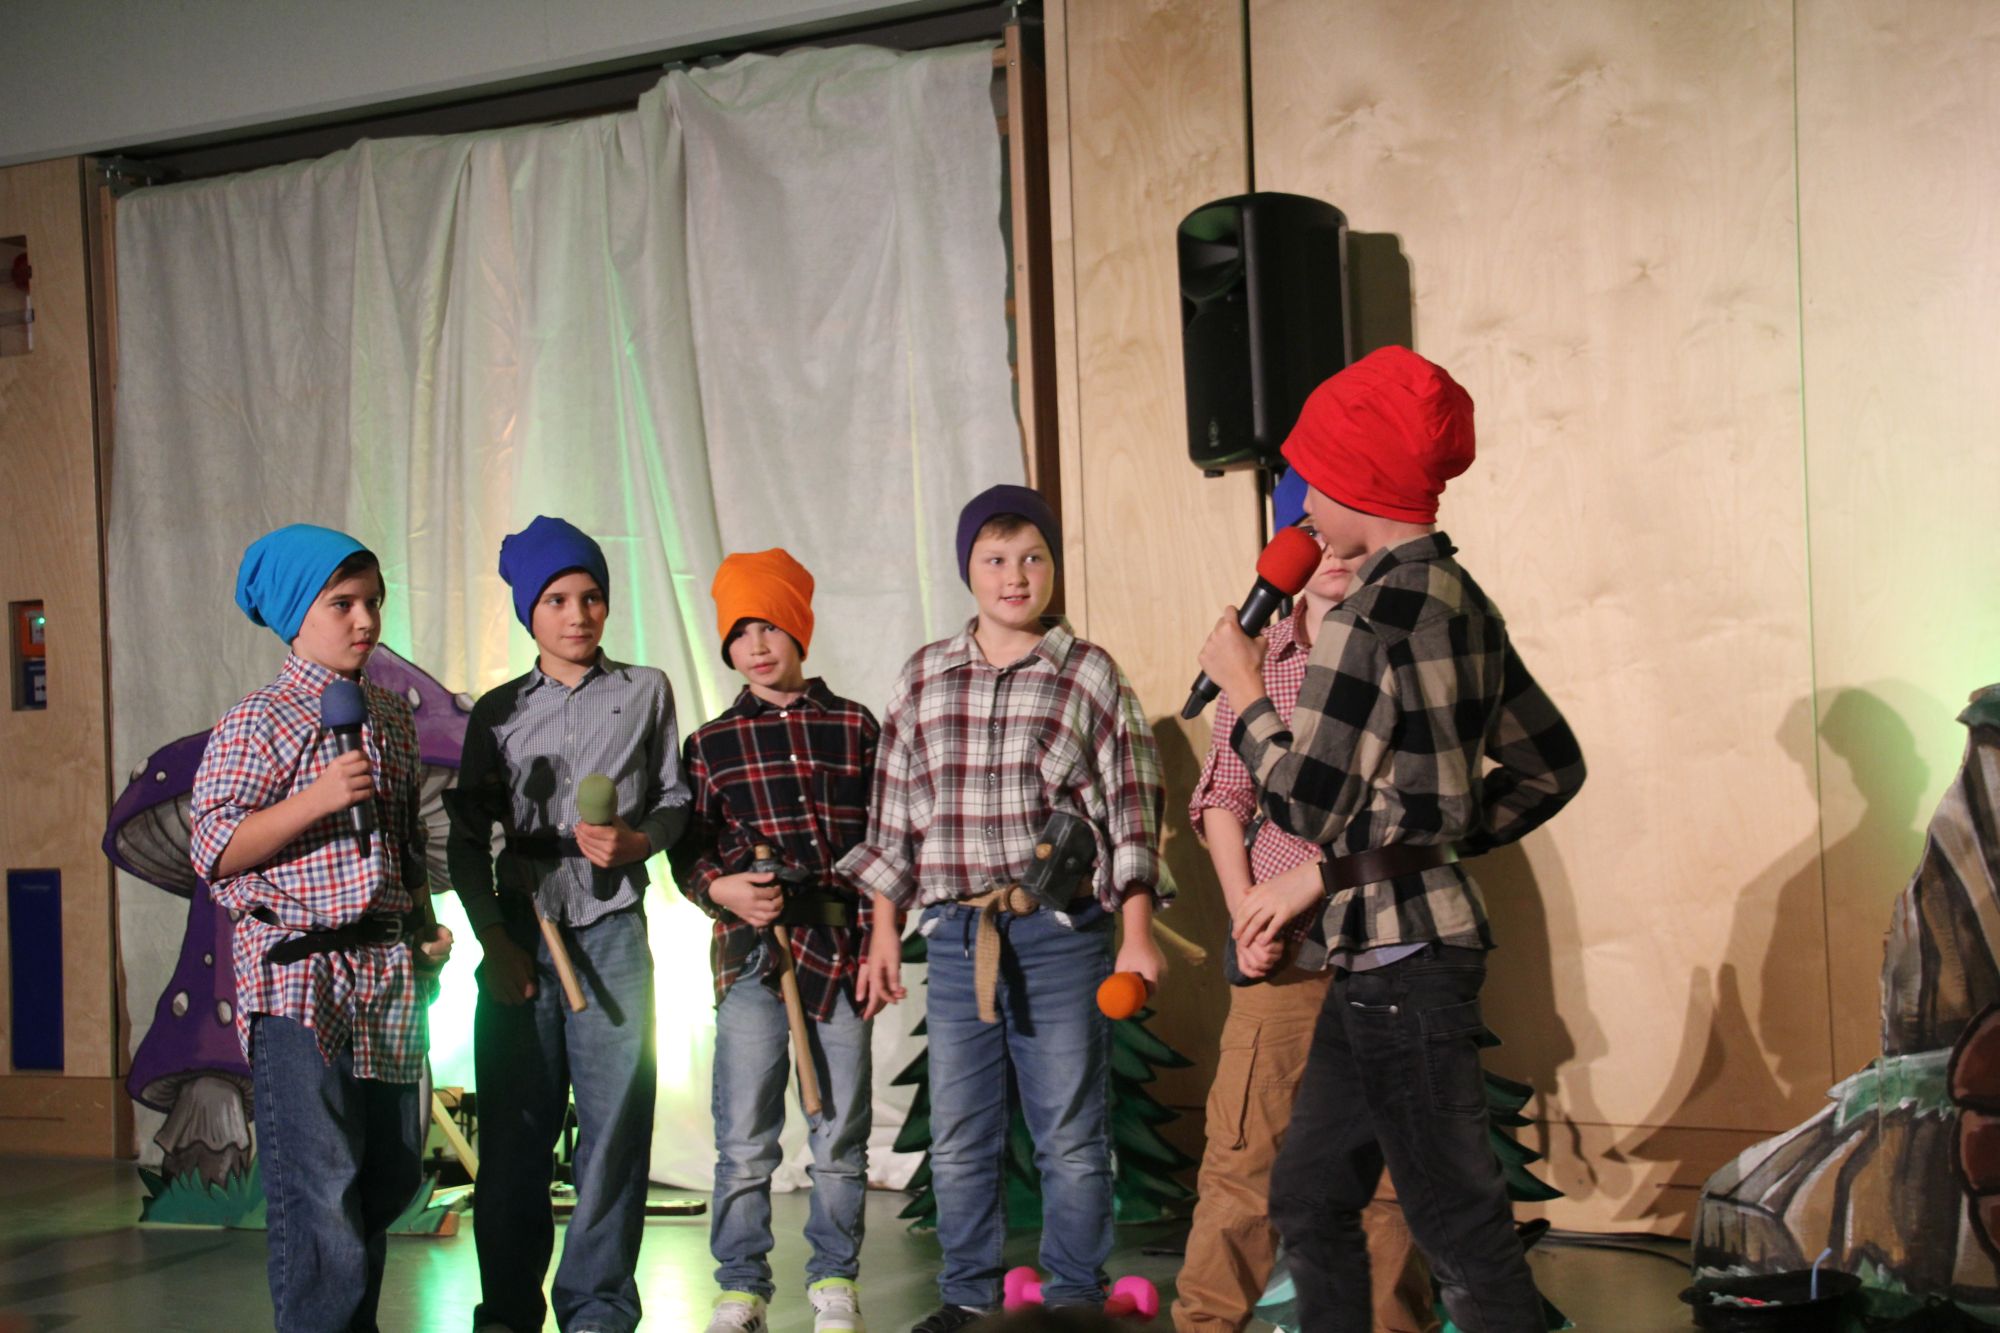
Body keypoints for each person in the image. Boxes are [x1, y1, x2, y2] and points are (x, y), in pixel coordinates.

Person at [1197, 347, 1586, 1333]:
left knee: (1457, 1226)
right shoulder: (1460, 597)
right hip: (1381, 951)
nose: (1307, 514)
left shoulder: (1367, 617)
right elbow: (1550, 765)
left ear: (1360, 483)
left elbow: (1305, 806)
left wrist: (1245, 688)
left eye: (1315, 486)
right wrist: (1430, 834)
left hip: (1400, 962)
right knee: (1308, 1195)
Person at [840, 484, 1169, 1332]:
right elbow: (893, 815)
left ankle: (1074, 1296)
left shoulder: (1088, 672)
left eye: (1032, 557)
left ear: (1053, 566)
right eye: (995, 559)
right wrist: (884, 931)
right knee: (960, 1131)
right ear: (969, 569)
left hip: (1062, 935)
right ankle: (967, 1294)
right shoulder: (925, 674)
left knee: (1069, 1129)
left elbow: (1133, 806)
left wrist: (1136, 933)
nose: (1015, 576)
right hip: (959, 936)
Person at [1173, 476, 1435, 1333]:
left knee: (1391, 1175)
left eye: (1342, 527)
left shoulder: (1400, 645)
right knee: (1243, 1163)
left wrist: (1316, 876)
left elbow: (1410, 803)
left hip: (1388, 942)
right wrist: (1246, 908)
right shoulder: (1258, 655)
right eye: (1307, 530)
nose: (1328, 551)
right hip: (1285, 952)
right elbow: (1223, 794)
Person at [190, 523, 453, 1332]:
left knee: (389, 1172)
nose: (365, 619)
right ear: (295, 614)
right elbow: (213, 847)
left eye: (374, 601)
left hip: (384, 972)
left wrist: (424, 922)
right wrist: (316, 797)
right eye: (342, 603)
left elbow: (405, 838)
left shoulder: (390, 716)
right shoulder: (258, 719)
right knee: (321, 1187)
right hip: (300, 977)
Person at [446, 515, 691, 1333]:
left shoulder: (646, 689)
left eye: (591, 596)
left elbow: (674, 799)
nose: (578, 614)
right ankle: (508, 1311)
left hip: (613, 928)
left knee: (616, 1128)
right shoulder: (499, 711)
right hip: (523, 933)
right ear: (529, 611)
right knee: (516, 1132)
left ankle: (597, 1310)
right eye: (556, 599)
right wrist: (494, 941)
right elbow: (465, 839)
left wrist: (638, 841)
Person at [671, 549, 880, 1333]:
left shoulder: (853, 725)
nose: (756, 645)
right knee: (744, 1135)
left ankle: (834, 1277)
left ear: (799, 628)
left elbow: (883, 841)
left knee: (840, 1130)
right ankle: (742, 1286)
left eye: (770, 626)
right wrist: (721, 888)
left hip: (838, 952)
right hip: (751, 957)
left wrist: (876, 939)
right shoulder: (711, 743)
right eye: (740, 632)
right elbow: (689, 852)